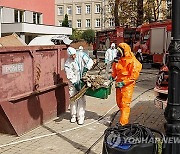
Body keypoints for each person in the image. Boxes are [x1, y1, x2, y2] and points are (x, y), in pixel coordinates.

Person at [111, 43, 142, 126]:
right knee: (119, 103)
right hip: (118, 84)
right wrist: (112, 76)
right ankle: (123, 118)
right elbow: (115, 71)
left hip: (127, 86)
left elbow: (133, 76)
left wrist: (124, 83)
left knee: (125, 104)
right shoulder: (119, 60)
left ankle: (123, 124)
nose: (118, 53)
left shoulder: (133, 61)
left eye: (119, 52)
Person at [64, 47, 94, 125]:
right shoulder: (67, 63)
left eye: (74, 55)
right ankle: (73, 116)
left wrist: (86, 68)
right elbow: (69, 74)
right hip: (73, 83)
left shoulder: (81, 55)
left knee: (81, 99)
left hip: (82, 80)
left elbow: (90, 61)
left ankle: (80, 117)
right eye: (71, 56)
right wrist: (75, 83)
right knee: (73, 98)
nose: (73, 57)